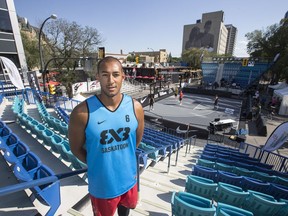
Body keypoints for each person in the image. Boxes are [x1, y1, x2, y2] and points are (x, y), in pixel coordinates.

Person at [68, 56, 144, 216]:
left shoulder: (135, 107)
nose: (111, 80)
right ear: (97, 77)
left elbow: (135, 142)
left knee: (125, 213)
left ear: (123, 76)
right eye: (105, 74)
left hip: (129, 181)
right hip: (102, 186)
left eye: (115, 74)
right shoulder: (81, 112)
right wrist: (99, 163)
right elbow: (75, 149)